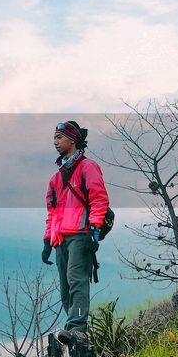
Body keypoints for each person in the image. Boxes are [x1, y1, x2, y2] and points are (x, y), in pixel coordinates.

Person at [41, 120, 109, 339]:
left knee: (77, 280)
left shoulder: (88, 168)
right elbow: (52, 211)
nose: (55, 142)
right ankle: (72, 328)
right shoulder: (56, 178)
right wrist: (47, 240)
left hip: (81, 234)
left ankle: (77, 329)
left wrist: (95, 230)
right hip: (60, 238)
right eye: (54, 138)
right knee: (65, 287)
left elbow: (99, 200)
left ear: (72, 139)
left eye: (59, 137)